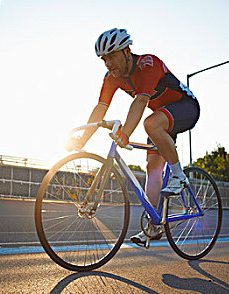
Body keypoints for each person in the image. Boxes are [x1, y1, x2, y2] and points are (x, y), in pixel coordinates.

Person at [69, 28, 200, 247]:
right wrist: (83, 139)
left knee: (151, 123)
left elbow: (140, 102)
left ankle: (179, 176)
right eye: (104, 60)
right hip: (163, 117)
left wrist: (126, 134)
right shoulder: (112, 78)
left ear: (127, 51)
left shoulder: (148, 64)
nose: (108, 63)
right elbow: (100, 108)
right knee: (152, 168)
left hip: (186, 107)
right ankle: (154, 225)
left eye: (112, 56)